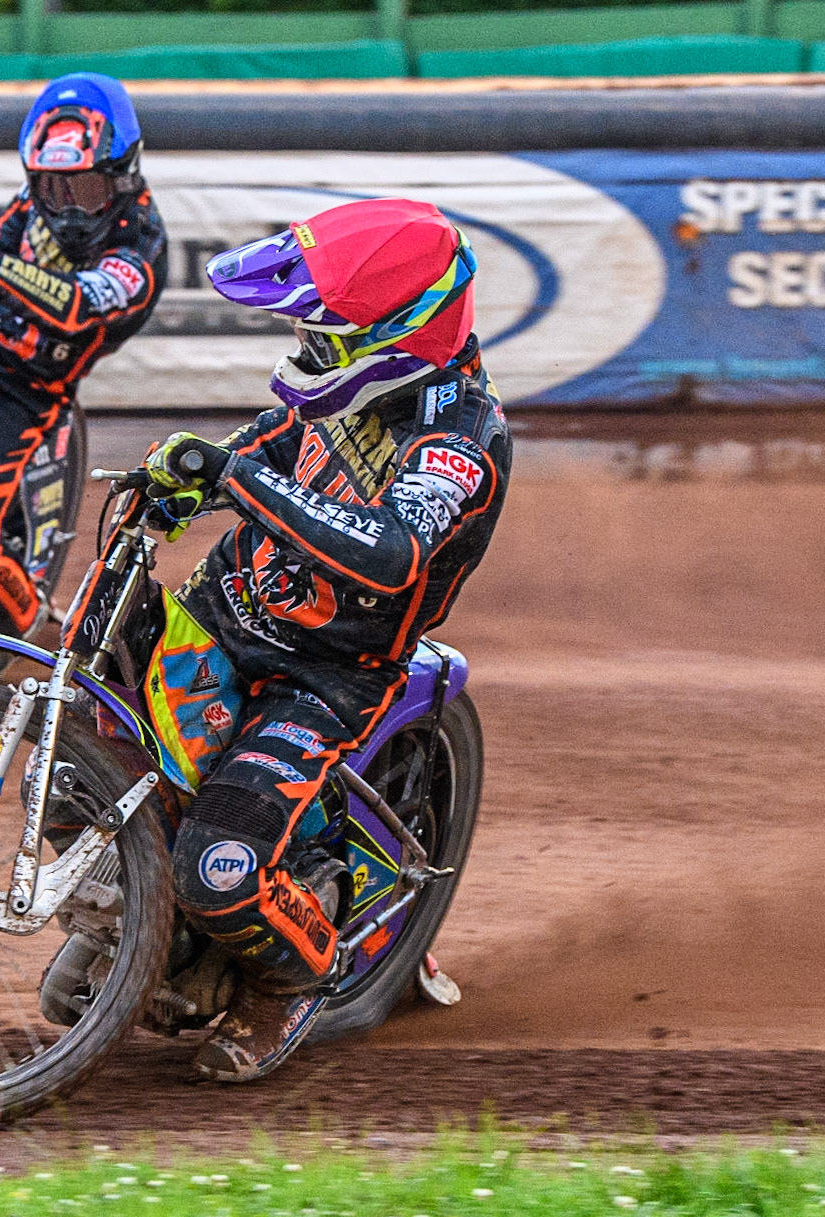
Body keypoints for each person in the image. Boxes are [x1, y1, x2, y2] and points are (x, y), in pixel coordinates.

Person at [135, 197, 511, 1082]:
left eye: (326, 339)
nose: (307, 353)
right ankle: (142, 929)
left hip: (328, 677)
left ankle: (294, 976)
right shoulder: (354, 389)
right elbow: (282, 432)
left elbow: (387, 555)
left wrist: (234, 478)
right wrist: (193, 476)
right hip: (225, 608)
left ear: (398, 337)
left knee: (217, 870)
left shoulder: (460, 440)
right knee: (90, 731)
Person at [0, 71, 167, 647]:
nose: (64, 210)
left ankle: (14, 625)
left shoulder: (141, 245)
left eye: (83, 189)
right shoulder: (28, 206)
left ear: (123, 173)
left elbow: (71, 308)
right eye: (50, 188)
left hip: (26, 393)